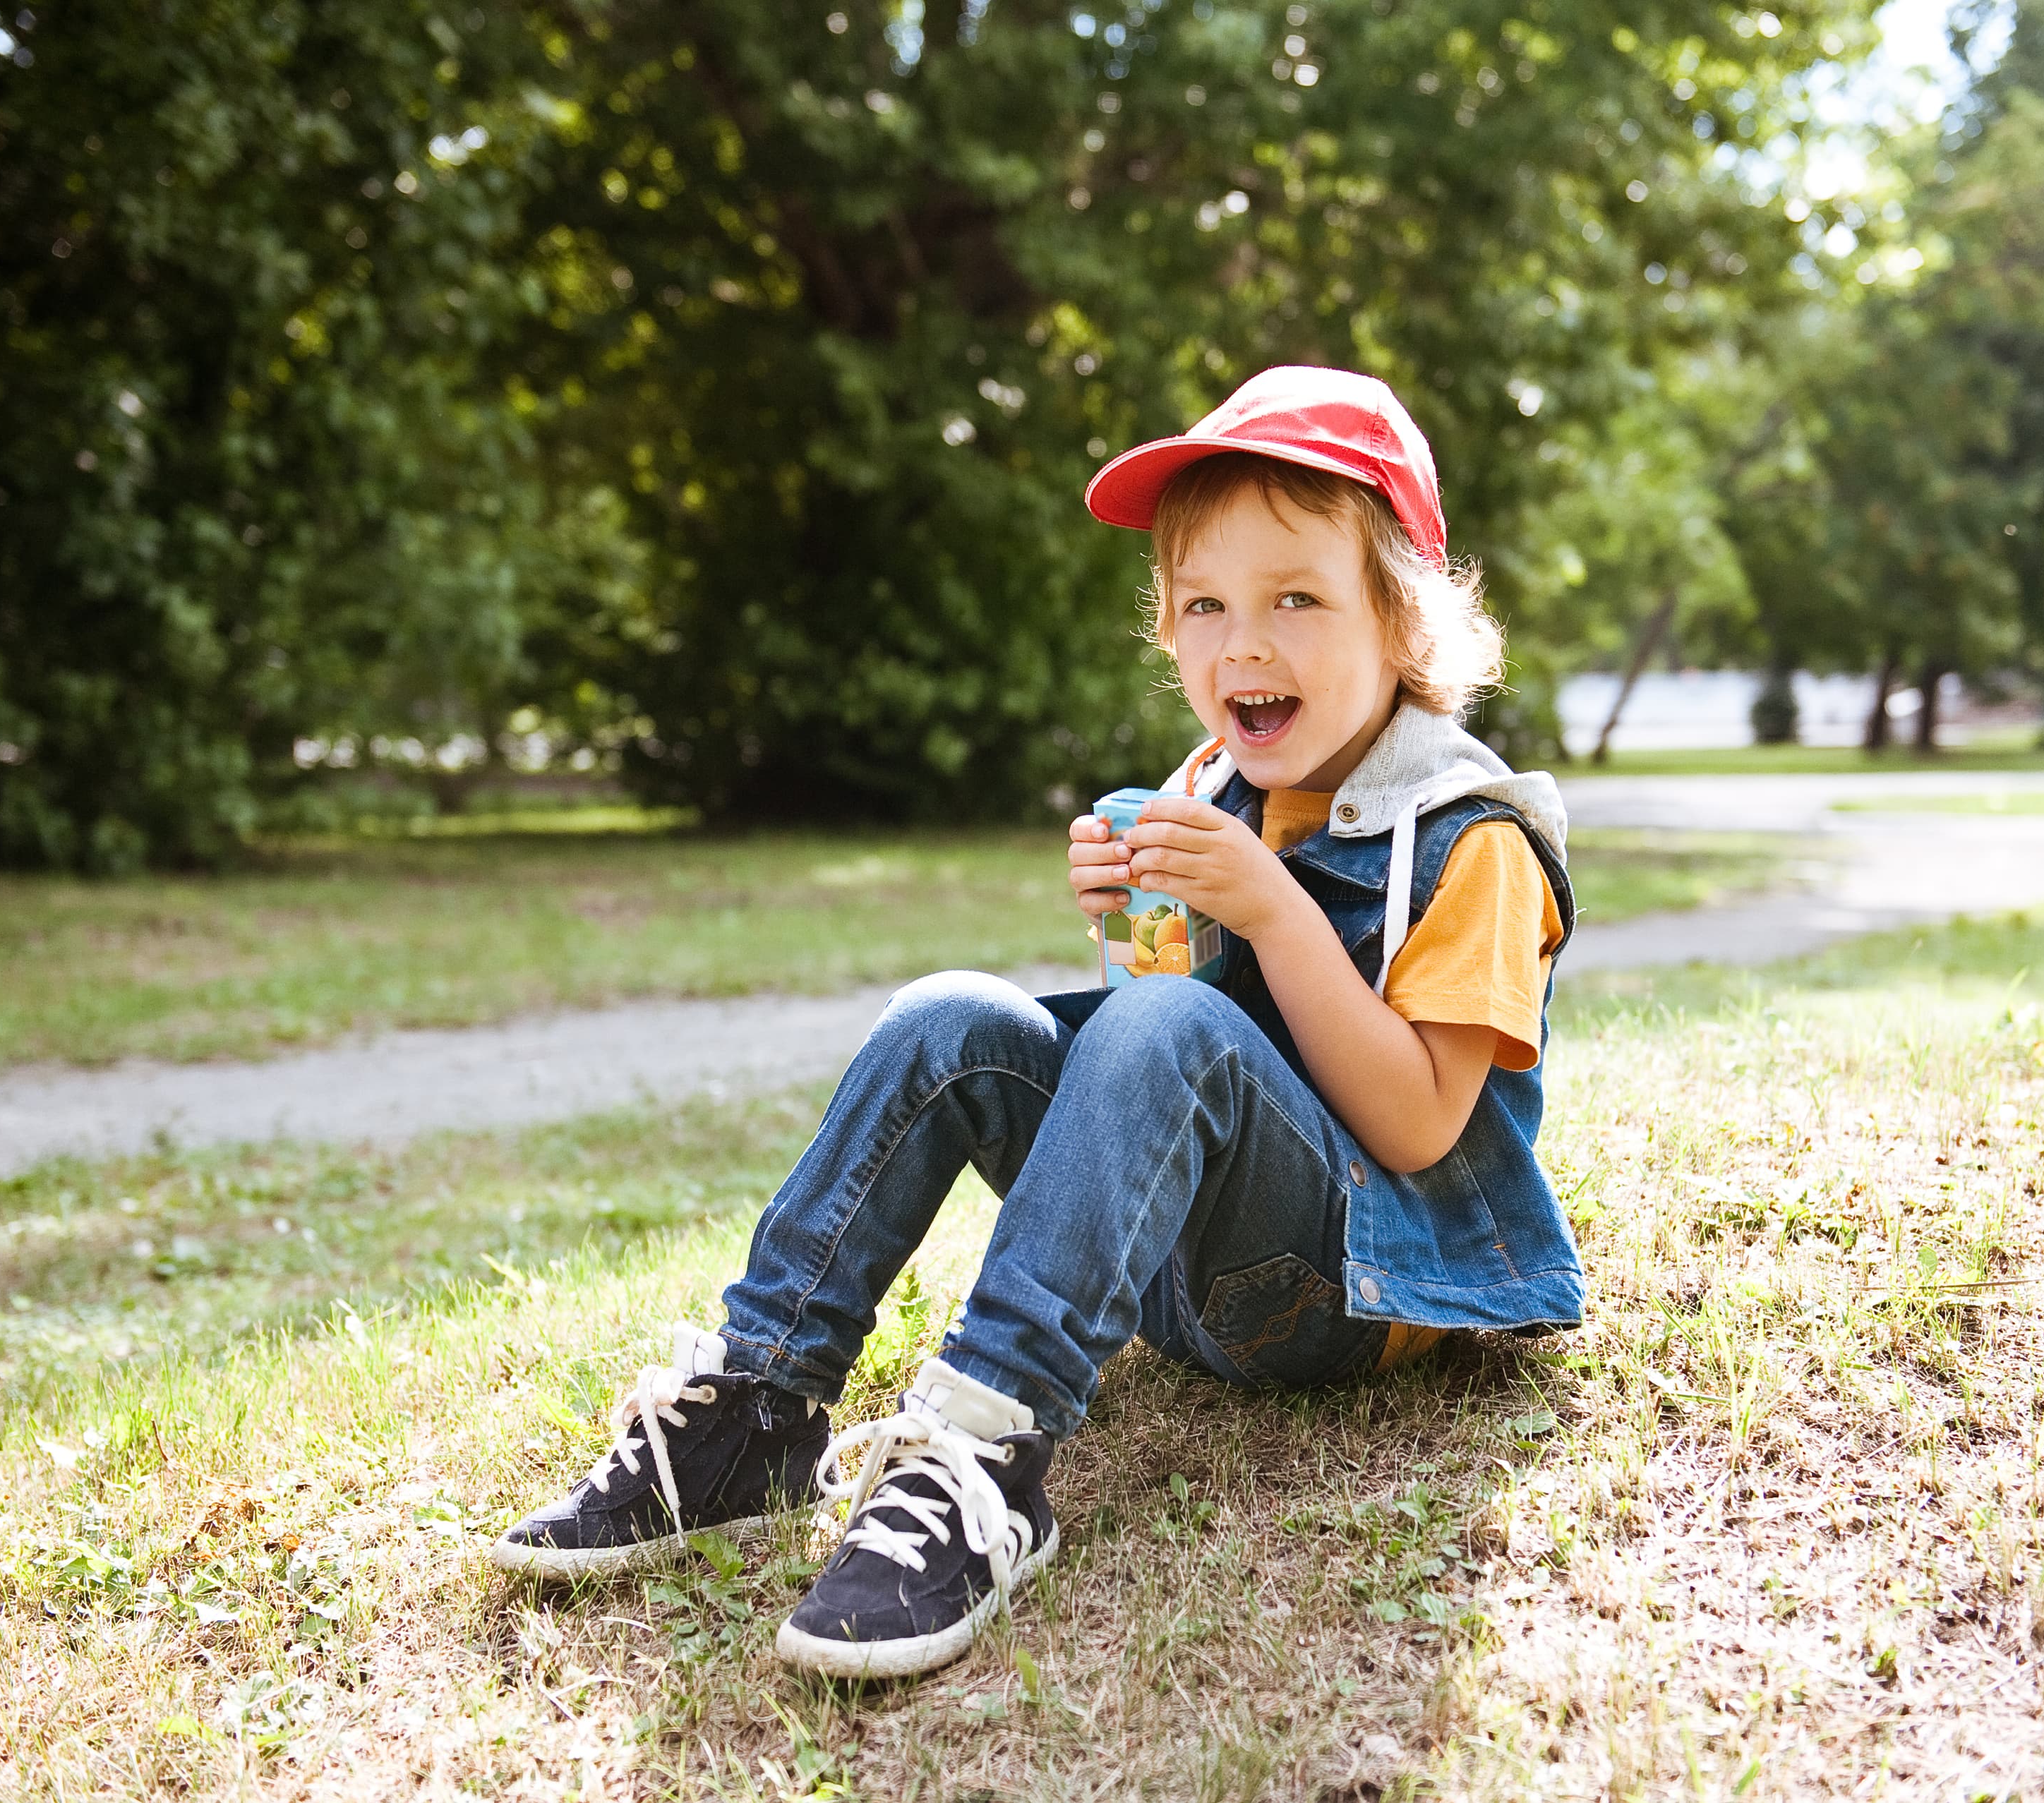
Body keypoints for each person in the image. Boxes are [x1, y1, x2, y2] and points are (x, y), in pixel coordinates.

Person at [486, 365, 1583, 1681]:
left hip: (1349, 1292)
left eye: (1298, 597)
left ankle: (989, 1456)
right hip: (1181, 1274)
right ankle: (756, 1408)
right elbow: (1161, 1056)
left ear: (1403, 627)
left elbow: (1414, 1126)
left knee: (1169, 1026)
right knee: (952, 1018)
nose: (1245, 642)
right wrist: (1143, 928)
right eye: (1204, 605)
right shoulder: (1214, 793)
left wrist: (1277, 916)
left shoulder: (1477, 842)